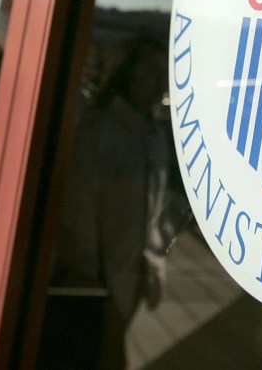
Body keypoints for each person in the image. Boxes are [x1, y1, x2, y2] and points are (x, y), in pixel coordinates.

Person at [41, 35, 178, 369]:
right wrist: (89, 271)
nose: (160, 80)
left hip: (131, 281)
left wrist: (154, 261)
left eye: (165, 72)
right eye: (151, 70)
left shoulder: (156, 137)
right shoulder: (98, 131)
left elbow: (158, 208)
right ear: (129, 73)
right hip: (93, 282)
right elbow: (79, 206)